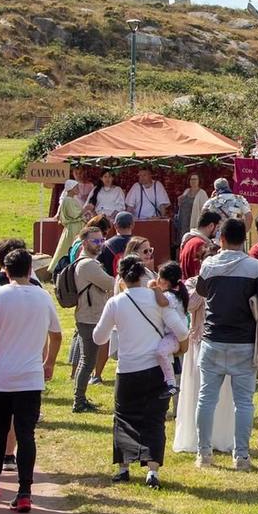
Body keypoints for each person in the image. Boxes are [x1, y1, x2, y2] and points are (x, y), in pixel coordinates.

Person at [0, 245, 62, 511]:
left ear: (5, 272)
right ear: (30, 270)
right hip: (30, 377)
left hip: (0, 376)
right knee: (26, 434)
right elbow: (56, 334)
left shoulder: (0, 295)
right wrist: (49, 362)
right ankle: (25, 490)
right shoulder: (42, 297)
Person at [94, 254, 187, 489]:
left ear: (121, 277)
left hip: (127, 369)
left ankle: (124, 467)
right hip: (155, 368)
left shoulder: (116, 302)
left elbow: (98, 337)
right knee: (154, 419)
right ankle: (152, 471)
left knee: (124, 417)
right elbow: (181, 331)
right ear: (144, 273)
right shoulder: (158, 299)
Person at [193, 216, 258, 469]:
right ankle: (241, 456)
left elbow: (201, 293)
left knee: (206, 398)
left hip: (213, 339)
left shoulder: (208, 265)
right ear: (245, 238)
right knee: (244, 402)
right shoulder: (255, 268)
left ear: (221, 239)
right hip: (244, 342)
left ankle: (203, 453)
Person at [67, 227, 112, 410]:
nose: (100, 244)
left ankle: (80, 398)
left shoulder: (87, 262)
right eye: (95, 241)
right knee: (88, 361)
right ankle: (79, 401)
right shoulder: (88, 265)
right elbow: (110, 283)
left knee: (87, 360)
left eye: (102, 240)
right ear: (85, 243)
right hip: (89, 317)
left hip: (88, 315)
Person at [51, 179, 91, 270]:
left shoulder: (71, 200)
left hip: (76, 226)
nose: (78, 189)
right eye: (76, 187)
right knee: (70, 246)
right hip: (74, 227)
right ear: (71, 188)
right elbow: (74, 214)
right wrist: (85, 210)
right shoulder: (68, 200)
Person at [179, 207, 219, 280]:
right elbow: (201, 273)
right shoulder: (200, 244)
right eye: (217, 228)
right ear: (211, 226)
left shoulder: (190, 241)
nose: (217, 232)